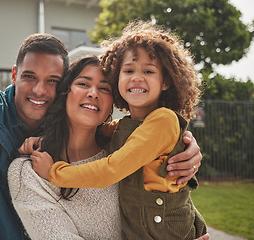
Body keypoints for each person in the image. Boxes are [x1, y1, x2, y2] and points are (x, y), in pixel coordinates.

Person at [0, 20, 203, 239]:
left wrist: (183, 147)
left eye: (103, 88)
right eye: (30, 77)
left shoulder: (116, 146)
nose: (40, 89)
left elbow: (160, 197)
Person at [31, 22, 207, 239]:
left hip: (167, 230)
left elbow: (110, 170)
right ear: (117, 79)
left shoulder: (163, 119)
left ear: (166, 81)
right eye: (128, 70)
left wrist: (54, 172)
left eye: (149, 71)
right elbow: (95, 131)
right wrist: (42, 139)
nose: (136, 77)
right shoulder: (127, 124)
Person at [8, 56, 121, 239]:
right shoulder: (28, 173)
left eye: (104, 88)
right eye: (83, 84)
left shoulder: (124, 155)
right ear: (64, 93)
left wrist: (184, 142)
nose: (93, 93)